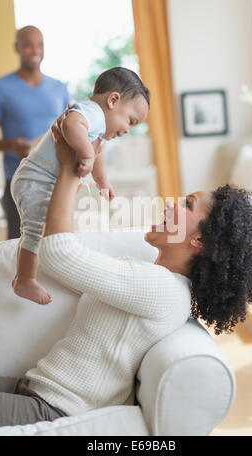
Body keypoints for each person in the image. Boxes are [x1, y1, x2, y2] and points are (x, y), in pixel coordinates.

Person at [0, 122, 252, 428]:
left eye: (188, 205)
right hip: (34, 390)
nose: (172, 203)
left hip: (53, 408)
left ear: (200, 241)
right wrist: (78, 173)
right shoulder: (150, 275)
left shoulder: (161, 288)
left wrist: (68, 168)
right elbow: (61, 256)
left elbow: (59, 253)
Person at [10, 67, 150, 306]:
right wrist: (85, 153)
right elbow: (71, 123)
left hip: (41, 180)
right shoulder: (91, 113)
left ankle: (30, 273)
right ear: (113, 100)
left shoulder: (96, 128)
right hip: (36, 179)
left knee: (46, 227)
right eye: (130, 120)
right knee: (34, 229)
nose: (127, 130)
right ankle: (24, 279)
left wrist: (102, 181)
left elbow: (99, 156)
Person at [0, 25, 70, 239]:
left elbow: (70, 130)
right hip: (19, 183)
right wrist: (10, 145)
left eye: (40, 45)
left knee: (58, 243)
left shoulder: (59, 88)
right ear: (17, 47)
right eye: (29, 45)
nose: (36, 51)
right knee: (19, 247)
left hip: (56, 181)